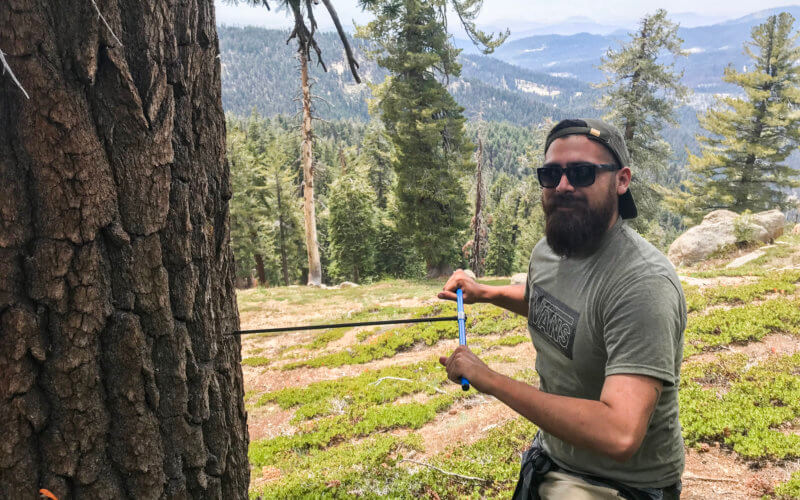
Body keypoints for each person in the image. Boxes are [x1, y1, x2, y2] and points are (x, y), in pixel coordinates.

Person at [438, 118, 685, 499]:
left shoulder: (642, 284)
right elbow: (548, 304)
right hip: (553, 456)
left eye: (583, 173)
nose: (563, 186)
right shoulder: (552, 249)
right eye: (551, 174)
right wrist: (484, 292)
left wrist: (489, 380)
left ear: (621, 180)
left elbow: (620, 433)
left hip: (621, 484)